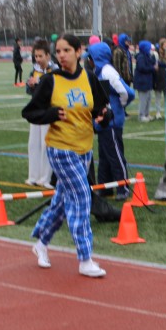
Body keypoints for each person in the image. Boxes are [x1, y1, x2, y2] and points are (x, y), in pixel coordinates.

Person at [22, 34, 112, 278]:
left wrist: (104, 117)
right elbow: (29, 112)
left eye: (66, 50)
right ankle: (85, 258)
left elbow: (101, 108)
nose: (61, 55)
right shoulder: (51, 80)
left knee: (62, 201)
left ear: (78, 51)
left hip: (84, 149)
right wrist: (51, 114)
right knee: (82, 196)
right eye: (58, 51)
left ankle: (41, 242)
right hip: (61, 149)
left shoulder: (89, 78)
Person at [91, 41, 135, 198]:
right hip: (103, 121)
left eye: (90, 57)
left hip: (111, 121)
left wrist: (118, 106)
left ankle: (123, 188)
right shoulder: (100, 70)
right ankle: (105, 187)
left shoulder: (108, 72)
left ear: (97, 57)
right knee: (104, 156)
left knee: (115, 155)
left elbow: (127, 93)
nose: (88, 60)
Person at [25, 39, 55, 189]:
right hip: (36, 110)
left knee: (46, 144)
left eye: (40, 56)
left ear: (48, 55)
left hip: (48, 110)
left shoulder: (54, 70)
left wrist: (41, 84)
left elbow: (55, 90)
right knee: (33, 144)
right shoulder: (34, 70)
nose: (38, 59)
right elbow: (28, 90)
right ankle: (33, 176)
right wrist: (31, 85)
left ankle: (45, 178)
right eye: (36, 56)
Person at [134, 40, 156, 122]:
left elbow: (152, 63)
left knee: (148, 98)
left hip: (147, 81)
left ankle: (146, 114)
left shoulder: (147, 56)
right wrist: (153, 68)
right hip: (142, 81)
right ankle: (141, 115)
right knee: (143, 99)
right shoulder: (141, 57)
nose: (150, 50)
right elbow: (142, 68)